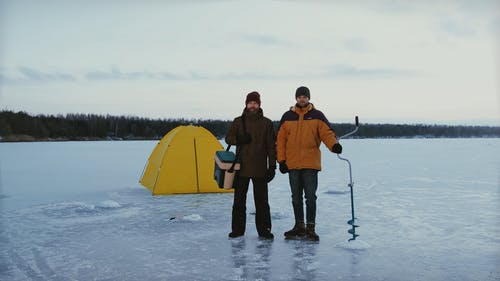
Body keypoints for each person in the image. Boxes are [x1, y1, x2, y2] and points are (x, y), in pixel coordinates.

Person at [276, 86, 342, 241]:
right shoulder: (287, 116)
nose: (302, 99)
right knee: (296, 197)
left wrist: (334, 145)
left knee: (310, 197)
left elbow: (326, 133)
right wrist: (281, 161)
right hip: (292, 164)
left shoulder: (317, 116)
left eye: (304, 96)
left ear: (309, 98)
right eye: (299, 96)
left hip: (310, 163)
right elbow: (280, 140)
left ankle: (310, 228)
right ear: (296, 98)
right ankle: (299, 226)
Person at [225, 91, 277, 240]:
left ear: (259, 104)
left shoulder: (267, 123)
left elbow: (271, 147)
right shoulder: (238, 121)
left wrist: (272, 166)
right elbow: (228, 138)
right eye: (250, 103)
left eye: (255, 103)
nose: (252, 105)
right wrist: (239, 139)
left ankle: (264, 231)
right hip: (241, 168)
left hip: (260, 169)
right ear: (246, 104)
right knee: (239, 202)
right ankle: (237, 230)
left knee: (262, 203)